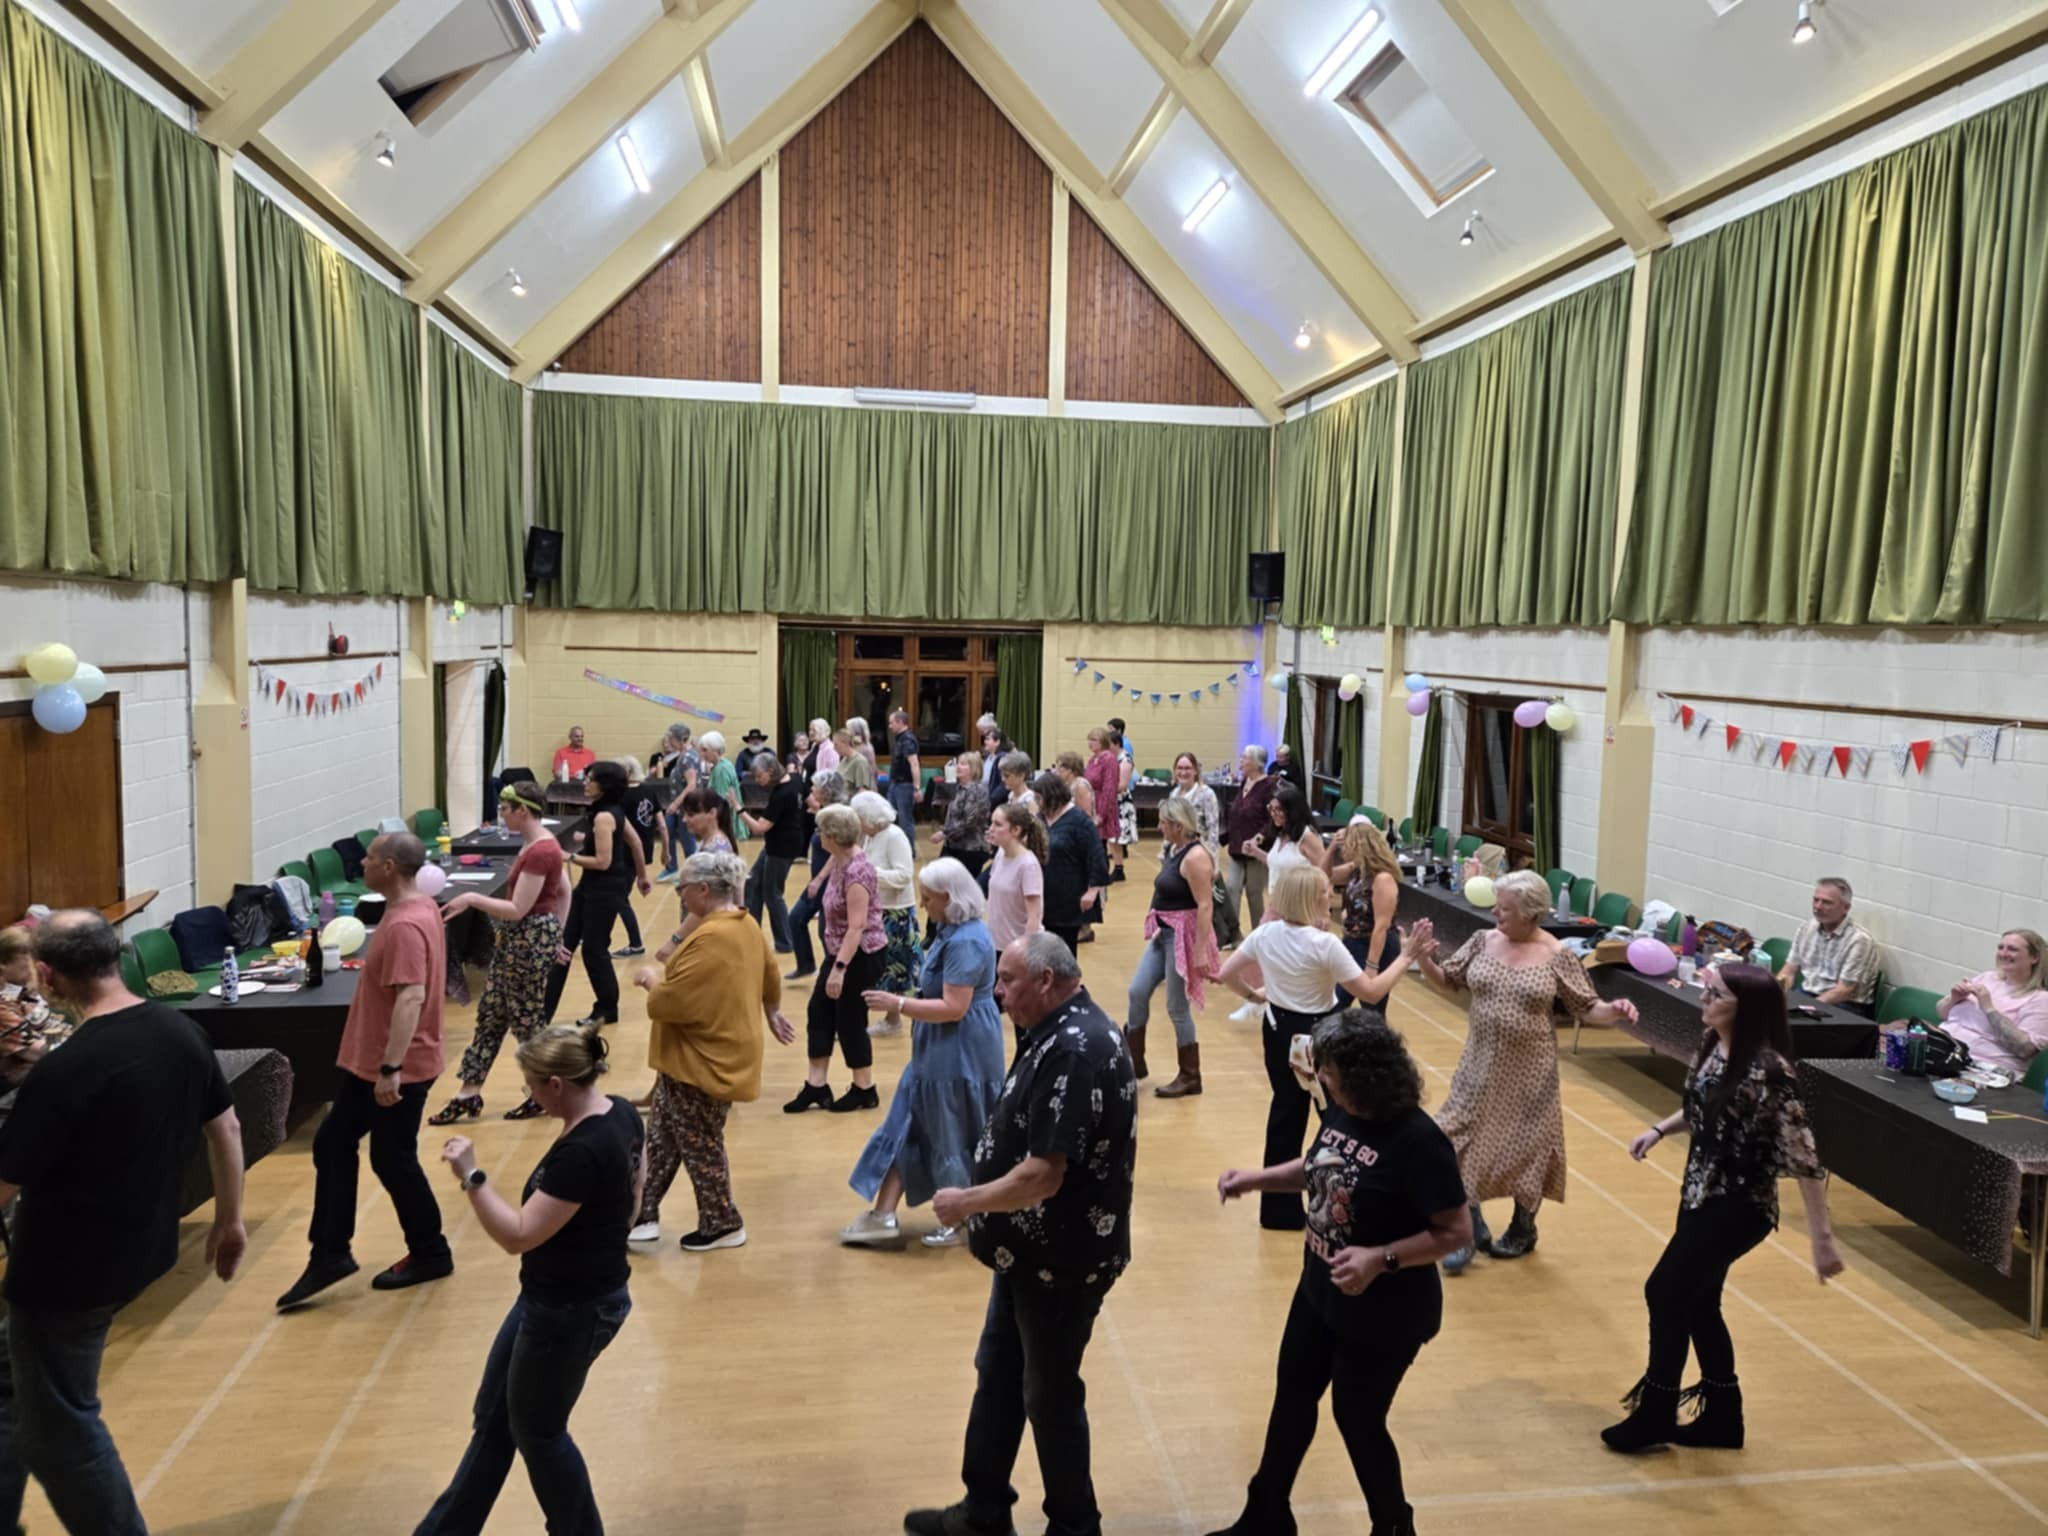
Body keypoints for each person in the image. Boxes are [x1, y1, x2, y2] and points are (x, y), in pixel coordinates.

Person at [0, 912, 244, 1536]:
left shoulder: (64, 1071)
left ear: (48, 975)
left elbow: (6, 1183)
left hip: (65, 1274)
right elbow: (227, 1127)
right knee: (11, 1387)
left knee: (63, 1433)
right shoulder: (179, 1031)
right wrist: (230, 1220)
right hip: (140, 1250)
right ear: (117, 955)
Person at [903, 933, 1137, 1536]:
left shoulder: (1075, 1050)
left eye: (1006, 982)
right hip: (1028, 1253)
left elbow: (1043, 1176)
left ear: (1047, 981)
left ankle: (1076, 1525)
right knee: (1000, 1373)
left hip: (1062, 1258)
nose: (997, 993)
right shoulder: (1053, 1028)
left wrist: (965, 1201)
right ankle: (984, 1508)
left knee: (1050, 1395)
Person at [1209, 1010, 1470, 1536]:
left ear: (1362, 1074)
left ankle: (1394, 1527)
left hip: (1387, 1311)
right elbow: (1316, 1170)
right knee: (1292, 1399)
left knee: (1357, 1418)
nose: (1320, 1077)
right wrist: (1255, 1179)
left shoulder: (1419, 1141)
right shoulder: (1342, 1111)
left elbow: (1456, 1231)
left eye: (1328, 1069)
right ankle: (1267, 1515)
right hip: (1321, 1290)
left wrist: (1380, 1258)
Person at [1602, 964, 1843, 1454]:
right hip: (1699, 1193)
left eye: (1717, 995)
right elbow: (1701, 1108)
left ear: (1747, 1008)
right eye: (1706, 991)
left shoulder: (1771, 1073)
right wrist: (1659, 1130)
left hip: (1738, 1206)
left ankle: (1656, 1414)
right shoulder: (1713, 1045)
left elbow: (1805, 1158)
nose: (1705, 1001)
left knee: (1665, 1293)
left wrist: (1822, 1239)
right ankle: (1723, 1419)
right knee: (1699, 1303)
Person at [415, 1026, 641, 1534]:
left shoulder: (580, 1153)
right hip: (554, 1298)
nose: (530, 1096)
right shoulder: (622, 1113)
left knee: (539, 1432)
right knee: (496, 1420)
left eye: (532, 1086)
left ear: (557, 1084)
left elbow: (518, 1234)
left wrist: (472, 1177)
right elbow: (635, 1192)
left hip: (569, 1311)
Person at [1417, 869, 1640, 1269]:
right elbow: (1448, 981)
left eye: (1505, 909)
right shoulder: (1482, 941)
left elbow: (1587, 1007)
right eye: (1497, 906)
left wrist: (1616, 1011)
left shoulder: (1557, 956)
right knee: (1452, 1138)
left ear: (1532, 914)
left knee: (1527, 1147)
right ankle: (1469, 1224)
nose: (1496, 915)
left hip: (1530, 1072)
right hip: (1479, 1063)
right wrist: (1422, 959)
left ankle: (1523, 1227)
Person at [279, 832, 454, 1309]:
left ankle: (430, 1251)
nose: (363, 863)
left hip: (395, 1066)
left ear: (391, 867)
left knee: (392, 1158)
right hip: (377, 1062)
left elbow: (412, 996)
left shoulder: (403, 926)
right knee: (334, 1143)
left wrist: (391, 1069)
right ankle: (330, 1252)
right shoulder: (418, 911)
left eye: (372, 858)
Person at [1218, 867, 1434, 1231]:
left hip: (1278, 1031)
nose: (1328, 896)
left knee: (1286, 1114)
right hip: (1320, 1039)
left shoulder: (1265, 933)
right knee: (1339, 1120)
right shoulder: (1325, 944)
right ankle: (1348, 1199)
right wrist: (1406, 956)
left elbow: (1227, 974)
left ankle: (1277, 1211)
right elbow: (1371, 991)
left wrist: (1255, 995)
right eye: (1322, 892)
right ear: (1307, 898)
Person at [628, 852, 794, 1250]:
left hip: (704, 1058)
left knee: (700, 1143)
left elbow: (671, 1003)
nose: (680, 895)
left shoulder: (712, 936)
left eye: (682, 888)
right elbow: (770, 973)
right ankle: (641, 1213)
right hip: (696, 1055)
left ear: (703, 889)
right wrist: (771, 1010)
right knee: (662, 1139)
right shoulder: (743, 923)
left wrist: (652, 981)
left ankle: (723, 1223)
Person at [843, 860, 1008, 1249]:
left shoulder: (967, 940)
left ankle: (957, 1217)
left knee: (949, 1127)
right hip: (938, 1046)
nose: (922, 904)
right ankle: (883, 1214)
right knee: (910, 1121)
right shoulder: (951, 932)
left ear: (950, 898)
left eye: (929, 897)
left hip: (960, 1048)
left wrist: (897, 1003)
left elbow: (954, 1007)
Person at [430, 782, 573, 1126]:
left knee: (527, 1023)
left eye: (506, 809)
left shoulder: (541, 851)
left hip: (526, 939)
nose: (502, 815)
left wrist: (471, 899)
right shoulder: (535, 843)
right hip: (523, 939)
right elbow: (565, 891)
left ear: (523, 810)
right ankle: (468, 1092)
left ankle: (545, 1093)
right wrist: (556, 934)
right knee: (491, 1015)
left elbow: (517, 908)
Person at [785, 804, 887, 1114]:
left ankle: (864, 1088)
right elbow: (835, 859)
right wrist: (817, 879)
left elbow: (857, 927)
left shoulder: (858, 872)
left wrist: (839, 969)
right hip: (840, 950)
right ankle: (817, 1085)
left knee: (849, 1018)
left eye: (821, 832)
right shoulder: (842, 857)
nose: (817, 836)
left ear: (832, 836)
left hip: (861, 953)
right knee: (819, 1011)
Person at [1124, 797, 1219, 1100]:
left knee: (1177, 1007)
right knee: (1137, 991)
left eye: (1164, 822)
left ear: (1178, 825)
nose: (1159, 826)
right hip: (1163, 935)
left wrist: (1201, 951)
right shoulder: (1175, 850)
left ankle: (1191, 1075)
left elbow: (1205, 906)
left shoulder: (1196, 858)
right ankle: (1134, 1060)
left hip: (1181, 938)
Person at [541, 761, 642, 1030]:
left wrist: (569, 856)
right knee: (563, 947)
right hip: (590, 888)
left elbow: (603, 861)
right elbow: (635, 842)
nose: (585, 783)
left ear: (604, 786)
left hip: (604, 890)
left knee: (594, 951)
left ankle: (607, 1008)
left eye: (590, 779)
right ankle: (543, 1012)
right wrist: (642, 876)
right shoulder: (607, 812)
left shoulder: (605, 817)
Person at [853, 790, 922, 1039]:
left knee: (894, 969)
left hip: (896, 912)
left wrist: (870, 873)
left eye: (858, 818)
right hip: (877, 909)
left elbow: (904, 875)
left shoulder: (894, 836)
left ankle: (894, 1020)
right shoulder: (870, 837)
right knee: (880, 967)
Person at [1937, 929, 2048, 1072]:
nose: (2003, 954)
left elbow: (2025, 1049)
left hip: (1983, 1067)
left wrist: (1988, 1008)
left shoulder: (2040, 999)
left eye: (2012, 949)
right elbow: (1942, 1014)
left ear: (2034, 958)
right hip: (1944, 1052)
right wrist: (1954, 999)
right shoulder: (1988, 978)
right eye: (2001, 948)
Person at [1776, 877, 1880, 1017]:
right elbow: (1789, 971)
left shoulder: (1859, 940)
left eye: (1826, 902)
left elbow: (1843, 991)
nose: (1818, 906)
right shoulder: (1807, 928)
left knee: (1790, 1024)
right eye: (1816, 900)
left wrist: (1802, 1009)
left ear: (1846, 908)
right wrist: (1776, 995)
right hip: (1807, 994)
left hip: (1844, 1006)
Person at [784, 769, 848, 982]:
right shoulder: (825, 811)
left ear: (827, 790)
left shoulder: (836, 815)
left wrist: (820, 878)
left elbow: (838, 853)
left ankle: (836, 973)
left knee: (826, 932)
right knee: (796, 919)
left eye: (815, 786)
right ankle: (806, 965)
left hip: (830, 881)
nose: (812, 789)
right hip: (818, 882)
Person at [1037, 771, 1109, 956]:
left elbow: (1097, 855)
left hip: (1069, 899)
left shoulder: (1079, 820)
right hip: (1044, 897)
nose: (1037, 803)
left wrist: (1093, 891)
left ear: (1052, 796)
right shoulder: (1040, 819)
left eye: (1039, 798)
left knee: (1065, 953)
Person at [741, 752, 804, 956]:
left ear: (770, 771)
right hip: (776, 844)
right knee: (752, 882)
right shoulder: (794, 780)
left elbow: (760, 828)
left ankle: (785, 942)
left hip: (782, 847)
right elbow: (810, 800)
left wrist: (739, 809)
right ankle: (751, 933)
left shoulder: (782, 794)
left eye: (760, 777)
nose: (758, 782)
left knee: (772, 894)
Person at [1217, 745, 1279, 948]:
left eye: (1244, 758)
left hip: (1256, 850)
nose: (1241, 761)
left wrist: (1259, 839)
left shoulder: (1269, 786)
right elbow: (1237, 811)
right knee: (1232, 888)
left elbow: (1272, 820)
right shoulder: (1245, 781)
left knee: (1254, 893)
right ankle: (1233, 935)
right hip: (1237, 847)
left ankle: (1259, 936)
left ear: (1256, 763)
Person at [1328, 816, 1403, 983]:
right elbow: (1325, 875)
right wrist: (1332, 847)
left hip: (1374, 946)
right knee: (1336, 1001)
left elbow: (1382, 926)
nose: (1345, 851)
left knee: (1371, 1003)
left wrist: (1372, 965)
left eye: (1348, 845)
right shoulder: (1356, 870)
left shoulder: (1382, 878)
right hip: (1353, 942)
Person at [610, 756, 665, 958]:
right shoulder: (649, 791)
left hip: (625, 852)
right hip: (644, 850)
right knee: (614, 895)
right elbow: (663, 825)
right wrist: (666, 850)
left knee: (619, 897)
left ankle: (635, 943)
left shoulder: (621, 796)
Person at [984, 802, 1046, 953]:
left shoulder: (1028, 865)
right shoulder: (1000, 855)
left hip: (1017, 949)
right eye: (991, 823)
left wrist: (1025, 950)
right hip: (995, 945)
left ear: (1016, 830)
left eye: (998, 825)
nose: (991, 829)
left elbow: (1035, 916)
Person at [1242, 783, 1325, 886]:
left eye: (1279, 809)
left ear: (1292, 811)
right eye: (1271, 808)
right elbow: (1277, 865)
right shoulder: (1282, 832)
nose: (1273, 814)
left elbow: (1324, 874)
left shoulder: (1308, 837)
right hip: (1277, 899)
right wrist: (1255, 852)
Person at [931, 750, 990, 878]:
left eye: (963, 764)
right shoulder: (958, 788)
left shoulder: (977, 790)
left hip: (970, 849)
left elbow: (969, 821)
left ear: (973, 769)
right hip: (953, 845)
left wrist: (944, 833)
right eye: (958, 763)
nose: (958, 766)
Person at [653, 724, 701, 881]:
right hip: (678, 806)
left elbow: (691, 784)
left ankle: (691, 873)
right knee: (667, 830)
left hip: (686, 807)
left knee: (688, 841)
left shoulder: (688, 757)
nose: (669, 741)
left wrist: (675, 804)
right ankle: (671, 867)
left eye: (671, 738)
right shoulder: (681, 755)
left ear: (682, 740)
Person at [1083, 728, 1121, 879]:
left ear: (1103, 742)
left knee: (1100, 845)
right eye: (1089, 739)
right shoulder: (1092, 759)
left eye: (1094, 740)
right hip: (1091, 805)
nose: (1090, 743)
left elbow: (1109, 788)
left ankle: (1101, 878)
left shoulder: (1109, 759)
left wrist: (1101, 815)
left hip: (1103, 807)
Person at [1167, 751, 1220, 857]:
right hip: (1176, 853)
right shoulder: (1173, 794)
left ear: (1195, 771)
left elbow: (1213, 829)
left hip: (1199, 854)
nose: (1183, 772)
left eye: (1187, 768)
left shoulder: (1206, 794)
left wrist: (1211, 858)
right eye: (1179, 768)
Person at [700, 731, 746, 842]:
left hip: (725, 824)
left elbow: (722, 802)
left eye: (705, 750)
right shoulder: (725, 763)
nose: (702, 754)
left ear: (715, 750)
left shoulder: (721, 770)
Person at [887, 707, 923, 833]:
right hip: (895, 784)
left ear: (900, 722)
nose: (889, 726)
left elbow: (914, 764)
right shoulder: (899, 739)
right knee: (888, 816)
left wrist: (917, 787)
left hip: (904, 785)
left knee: (905, 821)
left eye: (892, 723)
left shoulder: (907, 739)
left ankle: (909, 852)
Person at [1110, 720, 1138, 878]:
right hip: (1113, 802)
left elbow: (1122, 785)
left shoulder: (1125, 760)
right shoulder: (1113, 759)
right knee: (1112, 838)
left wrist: (1105, 788)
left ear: (1116, 744)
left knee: (1118, 838)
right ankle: (1117, 867)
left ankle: (1119, 869)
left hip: (1121, 802)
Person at [978, 717, 1011, 809]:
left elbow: (1002, 784)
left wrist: (991, 800)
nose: (985, 742)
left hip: (995, 804)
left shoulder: (1001, 758)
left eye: (988, 739)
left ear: (997, 742)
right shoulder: (989, 757)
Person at [1054, 750, 1096, 822]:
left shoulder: (1080, 785)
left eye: (1060, 767)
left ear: (1069, 769)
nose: (1056, 771)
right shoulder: (1067, 785)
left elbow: (1086, 814)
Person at [998, 751, 1037, 817]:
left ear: (1021, 776)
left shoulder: (1030, 801)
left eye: (1007, 776)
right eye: (1001, 775)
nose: (1002, 779)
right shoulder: (1011, 795)